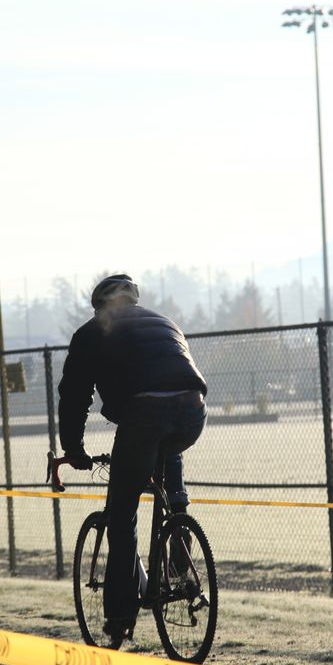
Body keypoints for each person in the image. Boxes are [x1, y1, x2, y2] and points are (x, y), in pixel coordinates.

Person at [58, 274, 207, 645]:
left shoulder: (92, 332)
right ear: (133, 300)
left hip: (143, 413)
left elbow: (74, 396)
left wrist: (73, 449)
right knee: (167, 457)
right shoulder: (164, 321)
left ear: (100, 306)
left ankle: (120, 617)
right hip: (193, 408)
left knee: (122, 513)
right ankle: (179, 545)